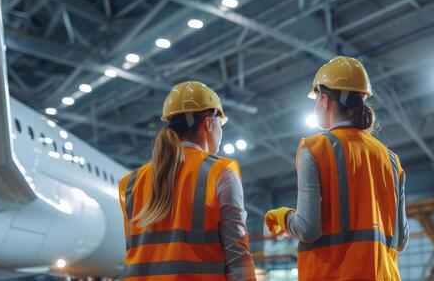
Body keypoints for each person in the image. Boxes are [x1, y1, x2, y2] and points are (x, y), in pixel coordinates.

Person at [265, 56, 408, 280]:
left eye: (315, 100)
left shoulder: (314, 148)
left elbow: (308, 230)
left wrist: (283, 216)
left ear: (324, 99)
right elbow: (400, 241)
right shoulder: (390, 159)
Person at [119, 81, 255, 280]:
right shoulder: (220, 172)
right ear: (209, 123)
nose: (221, 131)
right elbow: (237, 255)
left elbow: (135, 252)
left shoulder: (131, 183)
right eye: (220, 124)